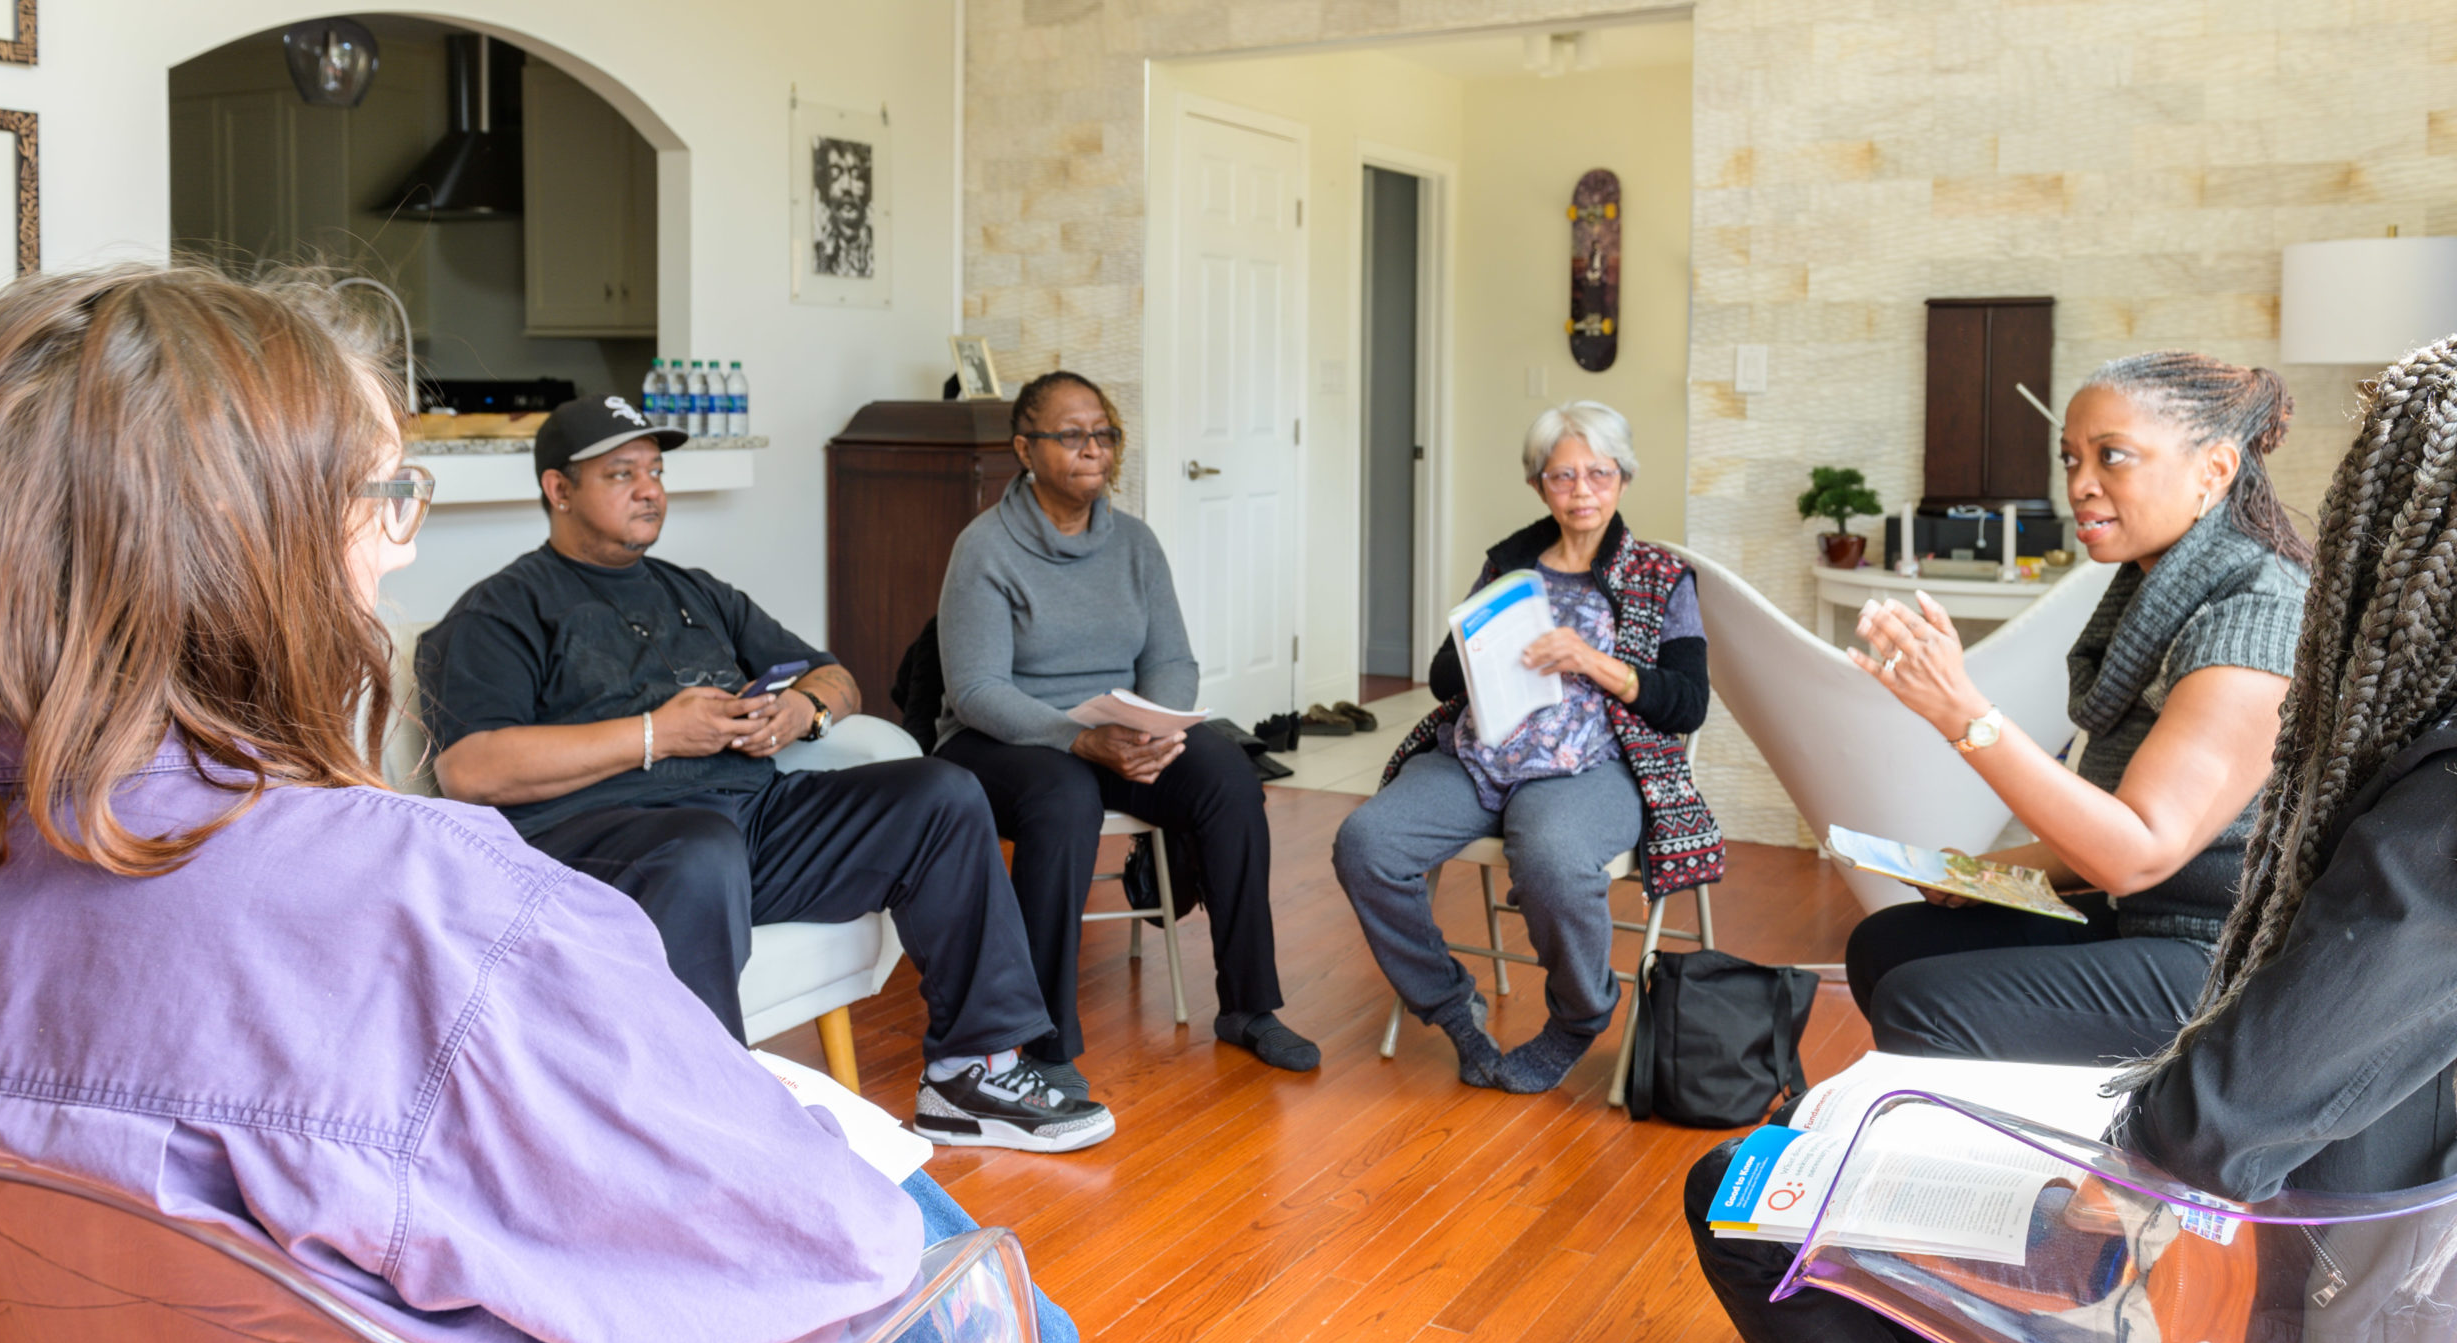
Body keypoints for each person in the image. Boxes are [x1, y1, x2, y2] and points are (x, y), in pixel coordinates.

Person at [0, 264, 1225, 1343]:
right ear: (258, 547)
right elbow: (826, 1266)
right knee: (909, 1246)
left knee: (893, 890)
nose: (393, 552)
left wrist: (793, 711)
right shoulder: (438, 912)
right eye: (381, 499)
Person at [1688, 336, 2457, 1343]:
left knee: (1744, 1196)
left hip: (2275, 1291)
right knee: (1896, 973)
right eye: (2076, 455)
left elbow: (2217, 1100)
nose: (2086, 483)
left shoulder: (2328, 686)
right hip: (2341, 1251)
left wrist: (2088, 1186)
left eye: (2378, 505)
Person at [413, 395, 1113, 1153]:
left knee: (939, 792)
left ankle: (969, 1074)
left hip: (753, 819)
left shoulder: (695, 592)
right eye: (622, 473)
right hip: (608, 843)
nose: (650, 489)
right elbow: (471, 767)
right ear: (557, 489)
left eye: (654, 470)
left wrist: (802, 714)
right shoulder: (502, 611)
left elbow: (836, 675)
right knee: (699, 845)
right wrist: (657, 734)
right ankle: (709, 1127)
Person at [1842, 352, 2311, 1066]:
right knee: (1887, 945)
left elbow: (2137, 850)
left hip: (2226, 953)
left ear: (2214, 470)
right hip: (2152, 915)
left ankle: (2057, 1171)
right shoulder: (2158, 589)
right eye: (2070, 458)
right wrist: (1979, 874)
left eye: (2112, 457)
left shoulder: (2256, 618)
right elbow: (2112, 831)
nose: (2079, 486)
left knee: (1923, 1001)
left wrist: (1963, 713)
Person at [934, 369, 1319, 1084]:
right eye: (1072, 435)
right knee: (1065, 796)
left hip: (1116, 731)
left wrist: (1157, 728)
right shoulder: (984, 548)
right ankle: (1039, 1035)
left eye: (1104, 434)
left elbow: (1171, 657)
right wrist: (1076, 739)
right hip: (1006, 738)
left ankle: (1248, 1006)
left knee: (1229, 779)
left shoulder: (1135, 544)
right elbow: (976, 687)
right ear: (1025, 448)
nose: (1094, 449)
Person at [1332, 400, 1721, 1093]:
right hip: (1480, 757)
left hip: (1590, 767)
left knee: (1549, 854)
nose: (1581, 492)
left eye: (1598, 474)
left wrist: (1592, 660)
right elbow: (1442, 681)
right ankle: (1452, 1007)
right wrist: (1482, 644)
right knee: (1367, 843)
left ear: (1624, 478)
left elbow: (1688, 702)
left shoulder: (1661, 576)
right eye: (1562, 477)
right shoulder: (1511, 561)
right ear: (1539, 484)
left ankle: (1578, 1017)